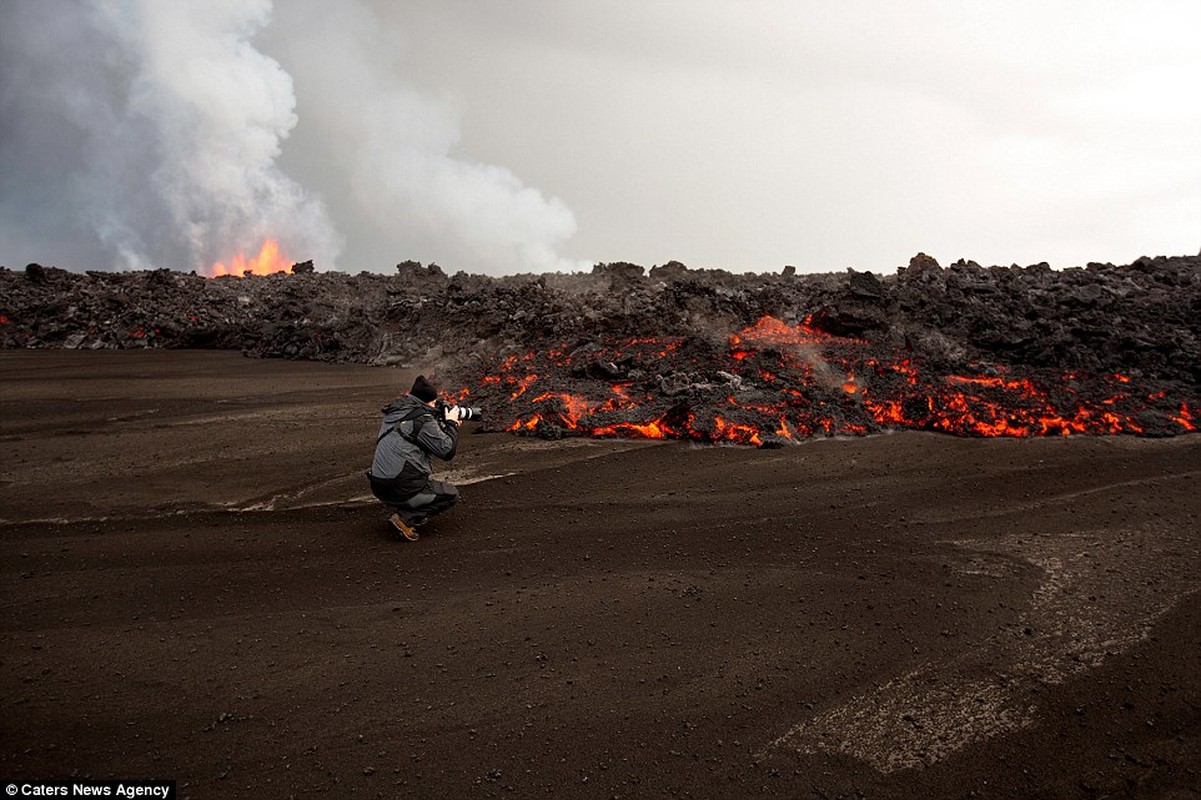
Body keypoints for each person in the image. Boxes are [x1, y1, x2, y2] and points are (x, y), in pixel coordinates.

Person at [367, 375, 461, 541]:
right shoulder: (421, 419)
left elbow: (414, 435)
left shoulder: (396, 411)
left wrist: (440, 424)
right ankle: (406, 518)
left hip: (378, 484)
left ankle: (412, 507)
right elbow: (447, 451)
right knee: (450, 494)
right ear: (426, 402)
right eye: (433, 403)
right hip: (398, 486)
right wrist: (452, 424)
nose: (435, 406)